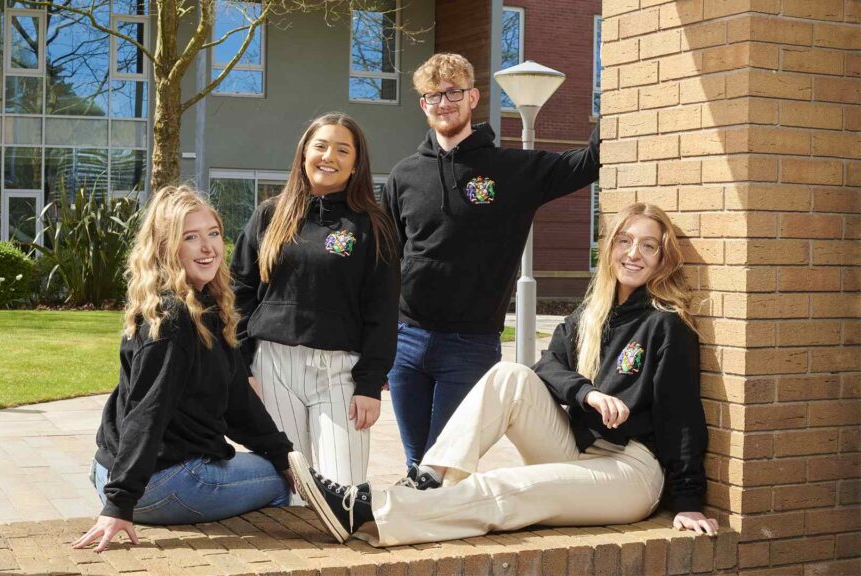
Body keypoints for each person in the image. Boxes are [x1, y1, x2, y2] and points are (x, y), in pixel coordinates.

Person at [289, 203, 718, 547]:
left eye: (648, 246)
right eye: (624, 241)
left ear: (663, 259)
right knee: (509, 375)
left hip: (630, 472)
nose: (633, 254)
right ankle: (428, 478)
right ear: (608, 249)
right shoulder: (593, 314)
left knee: (510, 486)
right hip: (578, 449)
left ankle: (369, 511)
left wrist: (688, 501)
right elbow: (546, 366)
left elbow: (682, 416)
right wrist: (585, 393)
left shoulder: (666, 325)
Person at [383, 53, 601, 470]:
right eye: (433, 95)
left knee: (442, 465)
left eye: (453, 92)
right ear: (423, 105)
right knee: (416, 461)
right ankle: (425, 531)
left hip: (468, 345)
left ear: (473, 98)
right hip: (406, 340)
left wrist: (622, 98)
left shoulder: (511, 170)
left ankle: (428, 523)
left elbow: (588, 162)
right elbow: (388, 258)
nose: (444, 102)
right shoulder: (403, 175)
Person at [74, 186, 294, 553]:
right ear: (166, 248)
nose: (208, 248)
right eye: (191, 237)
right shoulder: (174, 318)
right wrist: (119, 504)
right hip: (157, 482)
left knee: (281, 468)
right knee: (278, 484)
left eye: (213, 234)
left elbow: (239, 401)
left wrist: (281, 452)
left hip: (119, 472)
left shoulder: (205, 306)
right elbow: (148, 412)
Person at [230, 113, 399, 488]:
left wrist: (370, 384)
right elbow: (238, 292)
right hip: (273, 366)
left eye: (343, 149)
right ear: (304, 153)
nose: (329, 156)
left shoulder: (373, 224)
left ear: (356, 164)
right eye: (321, 146)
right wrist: (244, 368)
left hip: (339, 372)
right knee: (290, 487)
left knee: (343, 492)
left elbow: (383, 310)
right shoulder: (270, 215)